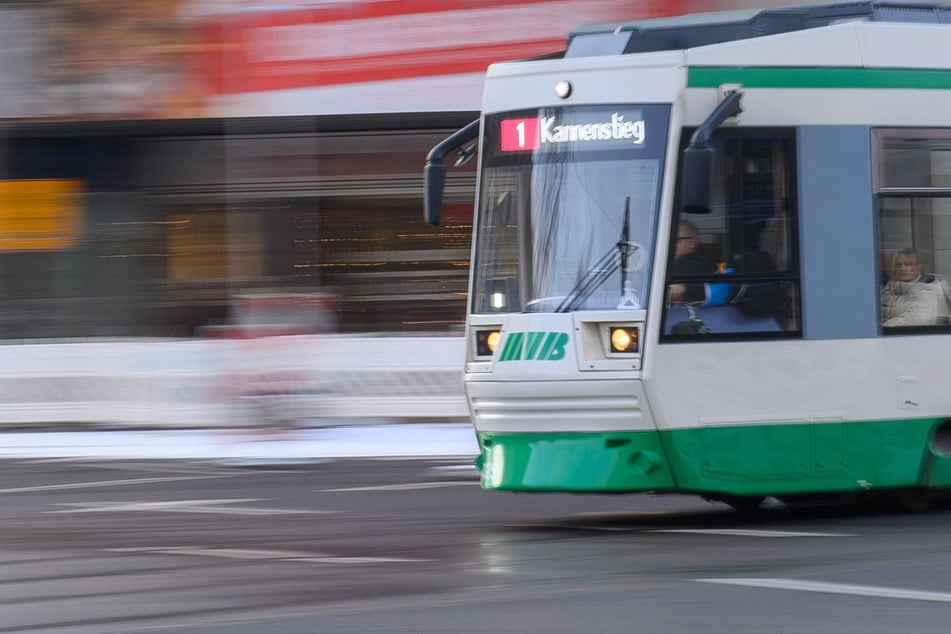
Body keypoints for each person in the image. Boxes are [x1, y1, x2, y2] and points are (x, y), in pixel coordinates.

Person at [881, 248, 951, 326]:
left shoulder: (928, 290)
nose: (902, 268)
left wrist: (882, 327)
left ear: (919, 267)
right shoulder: (890, 288)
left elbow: (916, 318)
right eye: (898, 265)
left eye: (908, 264)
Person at [668, 219, 717, 303]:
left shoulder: (701, 268)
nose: (668, 243)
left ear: (692, 242)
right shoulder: (660, 264)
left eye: (674, 240)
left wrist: (684, 288)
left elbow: (715, 290)